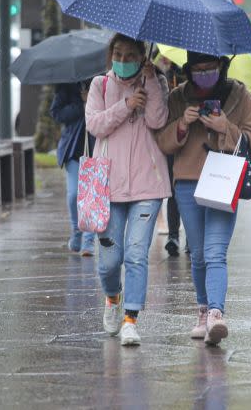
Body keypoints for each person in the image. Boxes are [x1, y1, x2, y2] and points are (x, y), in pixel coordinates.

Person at [156, 51, 251, 345]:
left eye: (210, 68)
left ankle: (216, 313)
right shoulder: (178, 97)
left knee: (216, 252)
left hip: (223, 180)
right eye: (198, 69)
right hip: (188, 184)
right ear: (189, 70)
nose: (204, 74)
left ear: (222, 66)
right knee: (199, 254)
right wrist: (181, 124)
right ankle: (202, 310)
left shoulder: (239, 95)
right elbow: (162, 141)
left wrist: (224, 127)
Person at [85, 33, 171, 346]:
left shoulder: (155, 81)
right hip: (107, 185)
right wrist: (125, 104)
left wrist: (149, 83)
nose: (122, 61)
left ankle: (131, 319)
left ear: (141, 56)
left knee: (136, 253)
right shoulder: (100, 85)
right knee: (109, 260)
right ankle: (112, 297)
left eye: (130, 55)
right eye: (118, 55)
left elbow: (158, 120)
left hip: (148, 184)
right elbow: (95, 125)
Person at [50, 81, 97, 256]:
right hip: (73, 148)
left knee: (91, 195)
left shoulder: (101, 80)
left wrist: (92, 101)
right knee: (74, 194)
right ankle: (77, 231)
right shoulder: (66, 85)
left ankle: (89, 241)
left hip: (95, 147)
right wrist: (81, 105)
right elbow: (56, 113)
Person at [154, 53, 186, 257]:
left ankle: (191, 237)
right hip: (171, 139)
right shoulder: (163, 74)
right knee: (174, 190)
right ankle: (173, 235)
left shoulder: (192, 75)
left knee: (192, 191)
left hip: (193, 143)